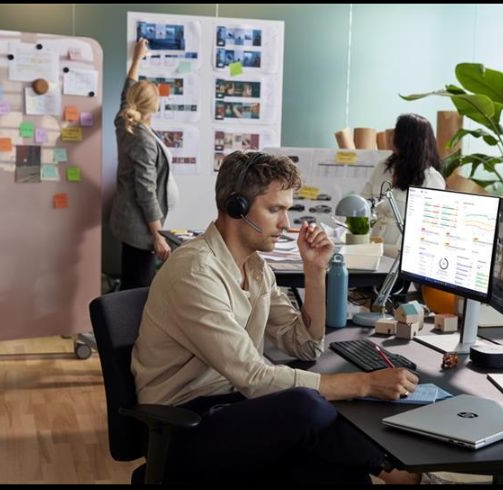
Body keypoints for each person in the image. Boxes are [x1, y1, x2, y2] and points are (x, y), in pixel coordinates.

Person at [131, 151, 420, 483]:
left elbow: (305, 346)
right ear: (236, 207)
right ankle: (398, 474)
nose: (285, 223)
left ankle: (396, 473)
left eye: (287, 210)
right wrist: (365, 383)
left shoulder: (255, 268)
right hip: (180, 428)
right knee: (306, 406)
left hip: (231, 407)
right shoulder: (195, 273)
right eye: (274, 210)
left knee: (341, 470)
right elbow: (255, 377)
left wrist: (315, 272)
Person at [110, 38, 179, 290]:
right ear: (155, 106)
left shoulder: (124, 120)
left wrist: (137, 58)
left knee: (132, 281)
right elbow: (146, 191)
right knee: (138, 289)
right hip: (139, 229)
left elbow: (126, 91)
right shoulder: (142, 139)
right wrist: (158, 235)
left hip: (128, 221)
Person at [361, 113, 445, 256]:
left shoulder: (432, 179)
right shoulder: (383, 167)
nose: (391, 135)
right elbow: (363, 202)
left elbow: (430, 231)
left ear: (407, 139)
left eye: (397, 131)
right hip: (373, 248)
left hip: (402, 255)